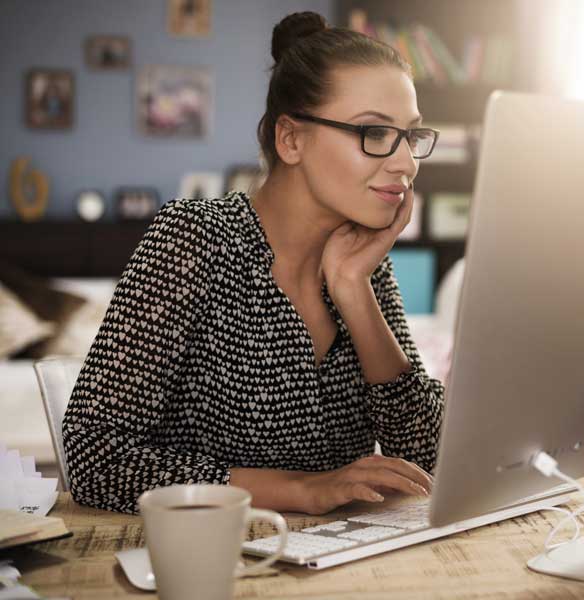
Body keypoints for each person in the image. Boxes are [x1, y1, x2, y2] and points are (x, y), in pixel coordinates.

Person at [62, 11, 445, 515]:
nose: (406, 162)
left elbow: (425, 458)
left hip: (338, 568)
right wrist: (299, 490)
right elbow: (94, 458)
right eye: (374, 132)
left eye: (410, 136)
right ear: (290, 139)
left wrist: (354, 290)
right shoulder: (195, 238)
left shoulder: (365, 260)